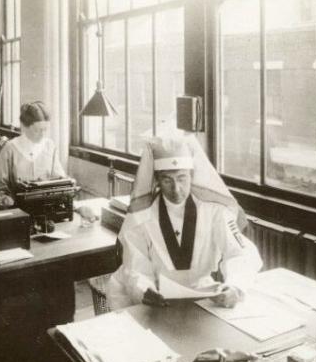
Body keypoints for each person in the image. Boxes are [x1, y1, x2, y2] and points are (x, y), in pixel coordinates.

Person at [106, 131, 262, 310]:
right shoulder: (142, 216)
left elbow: (241, 252)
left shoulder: (214, 210)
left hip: (198, 292)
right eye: (167, 180)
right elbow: (135, 266)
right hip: (148, 295)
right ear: (157, 180)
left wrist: (235, 286)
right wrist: (145, 290)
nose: (176, 189)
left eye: (182, 178)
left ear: (192, 176)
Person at [0, 101, 66, 201]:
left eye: (45, 130)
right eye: (37, 130)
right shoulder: (10, 148)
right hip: (17, 207)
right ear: (23, 126)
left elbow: (59, 179)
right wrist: (4, 198)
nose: (42, 135)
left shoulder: (50, 146)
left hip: (46, 204)